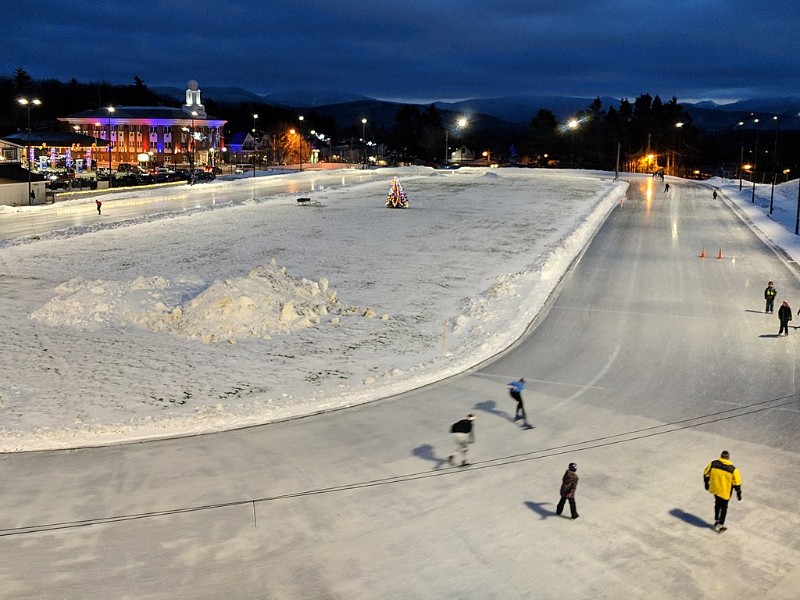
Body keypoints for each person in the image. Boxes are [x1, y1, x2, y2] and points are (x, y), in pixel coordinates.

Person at [703, 450, 742, 532]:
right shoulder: (733, 469)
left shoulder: (713, 464)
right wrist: (738, 493)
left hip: (716, 489)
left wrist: (706, 483)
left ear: (721, 456)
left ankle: (716, 520)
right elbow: (737, 482)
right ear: (728, 458)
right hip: (725, 492)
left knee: (717, 503)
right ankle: (720, 525)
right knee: (724, 507)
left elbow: (706, 473)